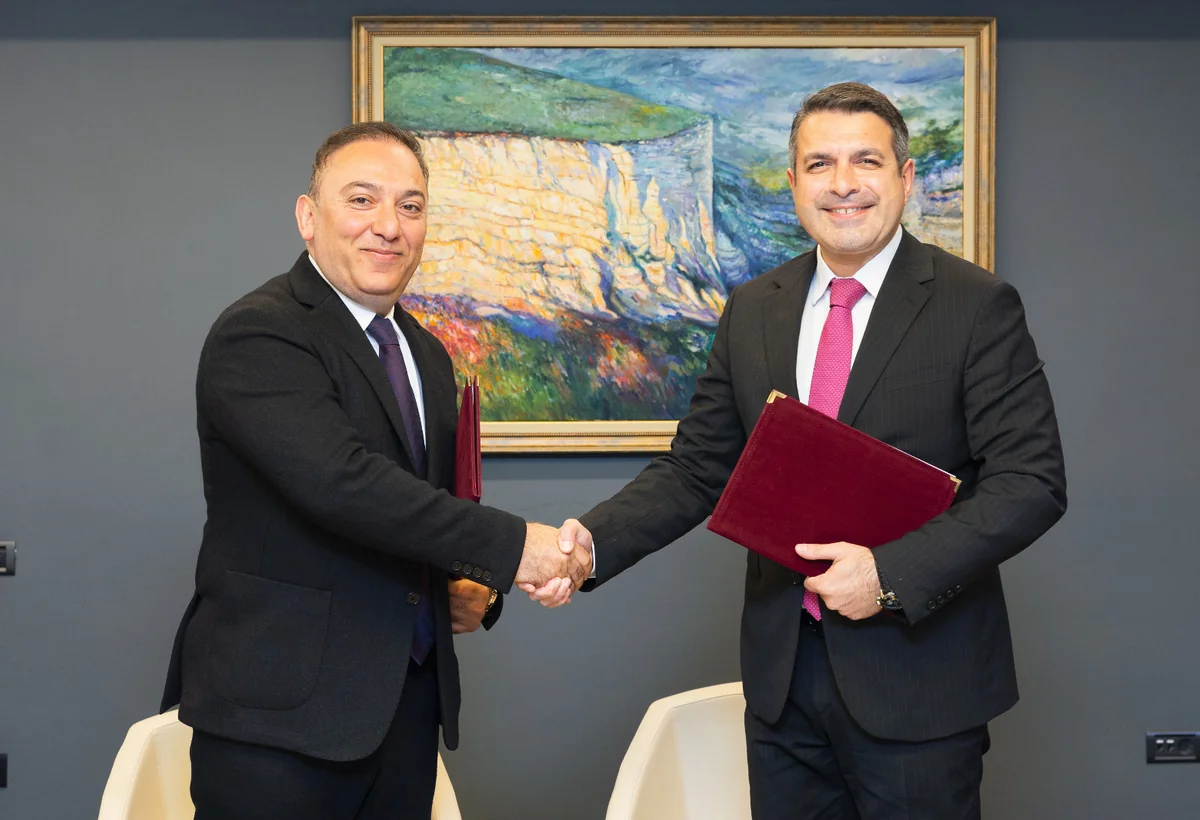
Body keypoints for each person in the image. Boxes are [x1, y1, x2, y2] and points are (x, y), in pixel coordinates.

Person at [532, 82, 1067, 818]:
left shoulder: (976, 305)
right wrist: (590, 545)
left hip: (919, 683)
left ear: (905, 177)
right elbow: (698, 468)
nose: (842, 183)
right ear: (793, 183)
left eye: (865, 161)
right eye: (819, 164)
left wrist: (887, 575)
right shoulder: (754, 308)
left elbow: (1030, 482)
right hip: (783, 685)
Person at [159, 121, 588, 819]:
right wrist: (518, 548)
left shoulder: (426, 355)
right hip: (278, 726)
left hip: (403, 718)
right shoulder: (261, 333)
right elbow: (344, 485)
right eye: (362, 200)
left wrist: (474, 587)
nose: (388, 226)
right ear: (308, 217)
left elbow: (422, 514)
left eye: (410, 206)